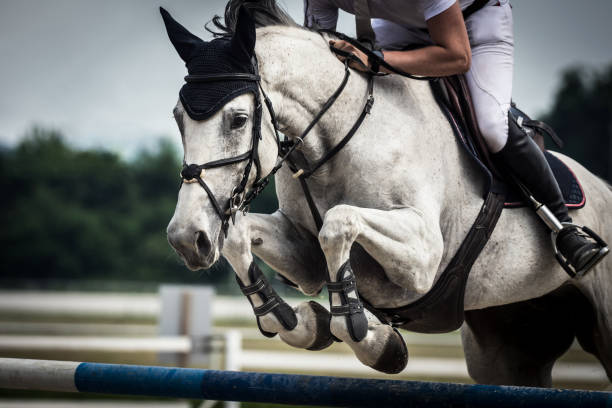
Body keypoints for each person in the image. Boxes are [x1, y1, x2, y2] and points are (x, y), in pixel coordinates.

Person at [304, 0, 608, 275]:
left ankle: (564, 227)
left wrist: (376, 60)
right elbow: (316, 51)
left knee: (491, 127)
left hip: (475, 22)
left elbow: (457, 56)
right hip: (402, 25)